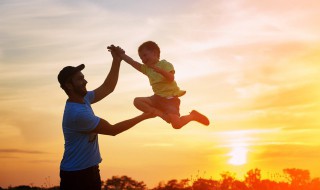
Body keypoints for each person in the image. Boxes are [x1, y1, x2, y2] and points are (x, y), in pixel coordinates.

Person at [57, 46, 154, 190]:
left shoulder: (84, 99)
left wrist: (116, 60)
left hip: (89, 170)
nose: (85, 81)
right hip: (76, 175)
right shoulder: (77, 114)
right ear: (68, 86)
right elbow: (113, 129)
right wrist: (143, 116)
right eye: (79, 79)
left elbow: (108, 87)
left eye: (83, 77)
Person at [108, 41, 210, 129]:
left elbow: (171, 78)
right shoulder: (147, 69)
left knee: (176, 125)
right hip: (157, 98)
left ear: (154, 53)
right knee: (137, 101)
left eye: (144, 55)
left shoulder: (165, 64)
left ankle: (192, 116)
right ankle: (161, 115)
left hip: (170, 100)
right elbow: (132, 62)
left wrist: (160, 70)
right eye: (141, 57)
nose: (143, 59)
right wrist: (121, 54)